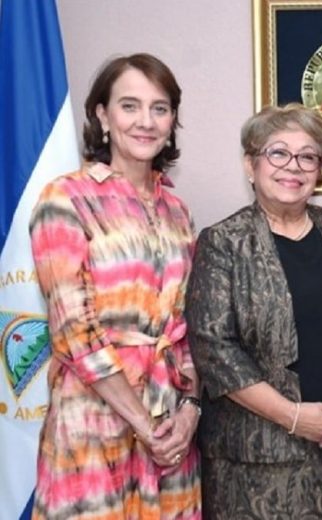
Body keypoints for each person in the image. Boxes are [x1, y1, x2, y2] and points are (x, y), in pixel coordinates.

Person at [185, 103, 322, 519]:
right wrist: (294, 418)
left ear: (319, 170)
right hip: (252, 464)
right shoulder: (223, 243)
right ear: (251, 165)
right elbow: (215, 349)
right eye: (278, 153)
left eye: (308, 156)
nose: (293, 166)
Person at [29, 53, 201, 518]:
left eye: (159, 108)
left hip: (171, 435)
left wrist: (189, 414)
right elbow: (73, 332)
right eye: (129, 106)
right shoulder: (65, 199)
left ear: (172, 121)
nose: (145, 121)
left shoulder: (178, 212)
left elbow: (187, 328)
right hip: (94, 424)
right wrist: (146, 426)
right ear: (102, 115)